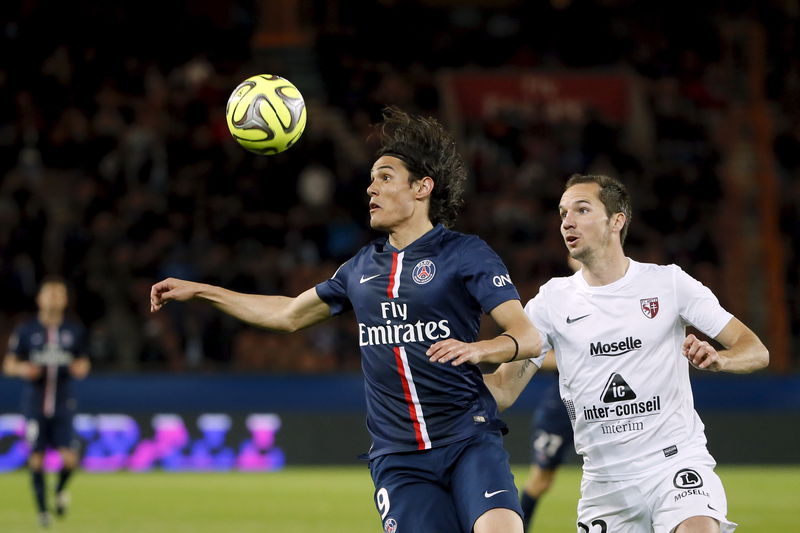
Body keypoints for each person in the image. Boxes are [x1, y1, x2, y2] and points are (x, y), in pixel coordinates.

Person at [150, 107, 544, 533]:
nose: (370, 188)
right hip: (399, 458)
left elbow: (527, 336)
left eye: (385, 177)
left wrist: (481, 348)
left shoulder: (465, 253)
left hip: (468, 438)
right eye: (371, 179)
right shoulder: (359, 269)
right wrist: (203, 291)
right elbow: (287, 314)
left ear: (422, 188)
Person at [485, 174, 769, 533]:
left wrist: (720, 358)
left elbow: (755, 350)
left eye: (582, 209)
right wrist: (418, 382)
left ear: (616, 221)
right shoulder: (551, 301)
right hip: (606, 482)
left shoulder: (669, 283)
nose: (567, 222)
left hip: (675, 464)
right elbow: (503, 390)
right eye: (562, 213)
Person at [3, 277, 91, 528]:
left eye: (58, 294)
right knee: (36, 459)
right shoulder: (27, 331)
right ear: (39, 299)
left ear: (64, 300)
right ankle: (43, 512)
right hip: (34, 405)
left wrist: (80, 367)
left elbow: (84, 362)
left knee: (70, 460)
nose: (53, 298)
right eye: (49, 293)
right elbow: (9, 363)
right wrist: (22, 369)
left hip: (63, 404)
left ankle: (60, 489)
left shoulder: (74, 332)